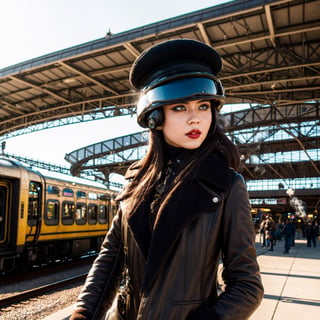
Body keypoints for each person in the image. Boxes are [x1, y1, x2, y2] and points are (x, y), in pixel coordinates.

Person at [70, 39, 264, 320]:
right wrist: (83, 312)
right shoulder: (135, 181)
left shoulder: (227, 185)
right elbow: (111, 258)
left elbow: (247, 286)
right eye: (180, 108)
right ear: (154, 117)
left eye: (203, 106)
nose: (195, 119)